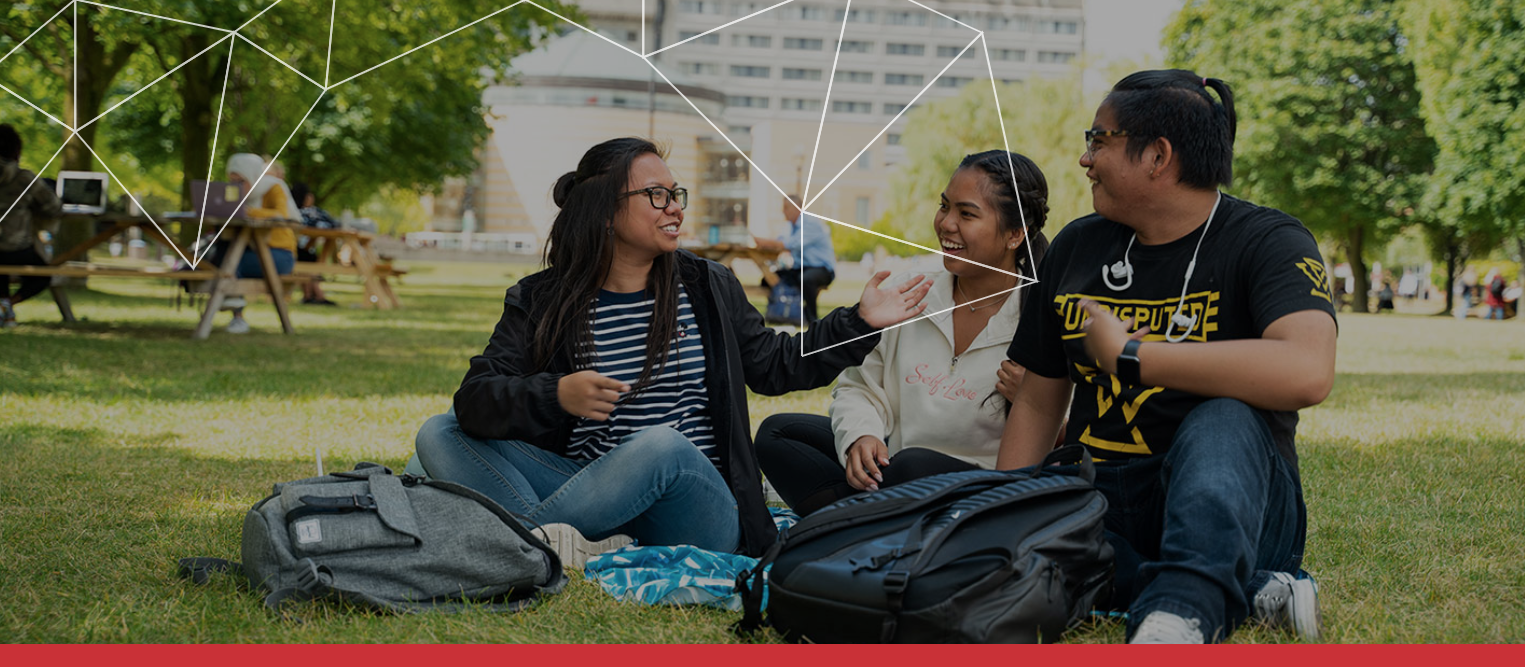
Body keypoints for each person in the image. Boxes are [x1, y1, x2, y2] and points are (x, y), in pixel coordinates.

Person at [411, 138, 932, 563]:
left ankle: (523, 537)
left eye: (675, 193)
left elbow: (776, 366)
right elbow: (476, 399)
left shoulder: (706, 285)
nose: (676, 207)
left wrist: (859, 322)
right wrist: (556, 395)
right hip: (594, 490)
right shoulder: (542, 299)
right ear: (606, 212)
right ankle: (558, 541)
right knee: (440, 432)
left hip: (696, 505)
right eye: (657, 195)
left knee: (660, 446)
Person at [998, 70, 1337, 643]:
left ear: (1157, 155)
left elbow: (1307, 370)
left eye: (1098, 140)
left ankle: (1179, 615)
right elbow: (1035, 402)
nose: (1085, 159)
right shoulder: (1078, 247)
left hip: (1229, 500)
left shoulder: (1268, 241)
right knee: (960, 490)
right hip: (1098, 499)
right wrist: (1006, 516)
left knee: (1225, 415)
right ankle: (1250, 591)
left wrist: (1133, 355)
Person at [756, 151, 1051, 516]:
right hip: (893, 470)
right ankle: (873, 523)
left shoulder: (1041, 317)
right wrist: (861, 437)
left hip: (978, 493)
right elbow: (859, 387)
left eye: (967, 213)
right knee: (778, 433)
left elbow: (1061, 444)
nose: (946, 223)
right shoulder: (909, 291)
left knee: (911, 467)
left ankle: (856, 523)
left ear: (1014, 234)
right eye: (944, 206)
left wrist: (1036, 400)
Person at [207, 153, 298, 334]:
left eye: (241, 181)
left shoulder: (274, 187)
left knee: (230, 262)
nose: (236, 186)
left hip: (279, 254)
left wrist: (248, 211)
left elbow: (282, 214)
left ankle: (235, 309)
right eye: (232, 181)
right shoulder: (232, 194)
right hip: (247, 251)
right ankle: (233, 307)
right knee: (222, 255)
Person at [0, 124, 62, 328]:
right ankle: (3, 308)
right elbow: (53, 207)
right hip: (15, 250)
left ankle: (3, 311)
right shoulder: (24, 178)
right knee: (44, 275)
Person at [754, 194, 836, 321]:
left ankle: (811, 318)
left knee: (806, 279)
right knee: (768, 279)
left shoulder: (810, 223)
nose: (783, 211)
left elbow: (789, 244)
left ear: (797, 208)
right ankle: (780, 312)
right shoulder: (790, 226)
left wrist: (764, 242)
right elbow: (780, 241)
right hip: (801, 268)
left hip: (822, 269)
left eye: (786, 207)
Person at [289, 182, 338, 306]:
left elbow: (333, 223)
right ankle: (316, 295)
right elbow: (331, 224)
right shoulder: (299, 212)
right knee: (306, 256)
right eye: (308, 195)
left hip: (304, 249)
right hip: (294, 248)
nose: (311, 197)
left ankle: (310, 295)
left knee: (308, 255)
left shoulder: (310, 212)